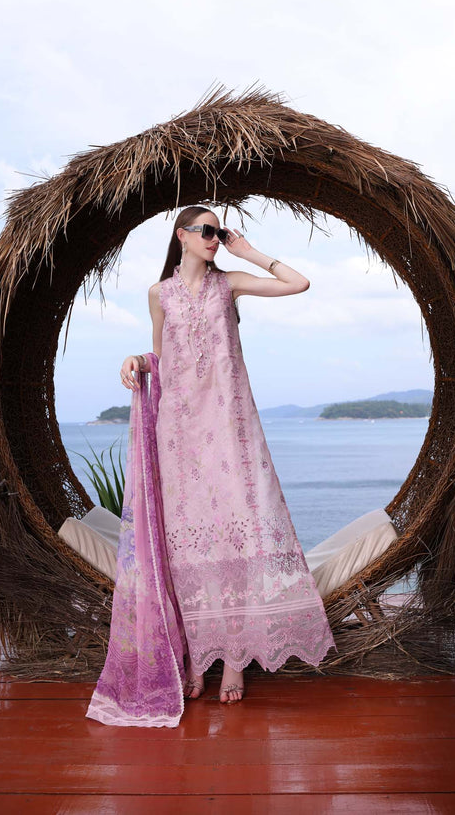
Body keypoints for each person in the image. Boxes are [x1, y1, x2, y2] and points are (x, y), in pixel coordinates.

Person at [119, 205, 336, 705]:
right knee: (187, 545)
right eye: (207, 231)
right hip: (179, 431)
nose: (215, 238)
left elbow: (298, 283)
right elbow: (160, 357)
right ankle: (197, 657)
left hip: (230, 425)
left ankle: (235, 658)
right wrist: (136, 360)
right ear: (182, 236)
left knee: (237, 533)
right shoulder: (159, 294)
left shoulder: (229, 284)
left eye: (219, 232)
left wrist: (249, 251)